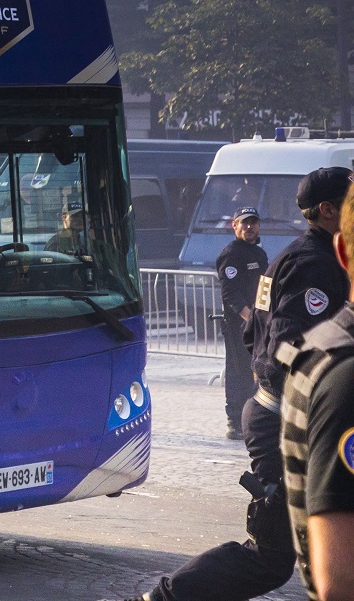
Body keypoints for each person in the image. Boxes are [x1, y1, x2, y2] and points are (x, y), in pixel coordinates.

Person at [131, 166, 352, 601]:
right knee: (270, 559)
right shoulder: (315, 266)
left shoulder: (297, 255)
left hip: (283, 416)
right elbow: (287, 346)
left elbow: (257, 336)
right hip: (285, 424)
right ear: (329, 211)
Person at [271, 181, 354, 601]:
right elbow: (341, 582)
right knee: (267, 556)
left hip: (288, 402)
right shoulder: (310, 262)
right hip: (283, 409)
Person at [218, 208, 268, 439]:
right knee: (238, 372)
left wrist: (266, 317)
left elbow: (264, 287)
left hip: (259, 323)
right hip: (238, 325)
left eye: (254, 223)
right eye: (245, 223)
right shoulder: (231, 254)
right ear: (234, 226)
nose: (250, 227)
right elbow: (231, 295)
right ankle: (235, 421)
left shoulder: (259, 254)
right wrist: (250, 318)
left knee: (258, 371)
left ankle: (255, 419)